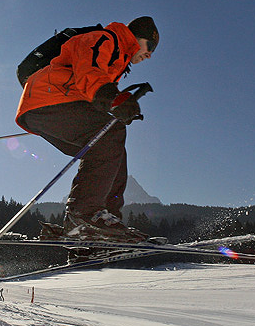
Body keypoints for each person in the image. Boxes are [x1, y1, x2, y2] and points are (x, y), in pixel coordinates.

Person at [16, 16, 159, 242]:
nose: (150, 54)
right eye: (149, 46)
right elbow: (88, 69)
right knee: (111, 134)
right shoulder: (105, 39)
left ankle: (104, 224)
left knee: (112, 147)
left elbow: (92, 83)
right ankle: (83, 216)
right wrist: (113, 96)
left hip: (52, 102)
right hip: (48, 98)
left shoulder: (117, 59)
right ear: (134, 36)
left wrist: (113, 100)